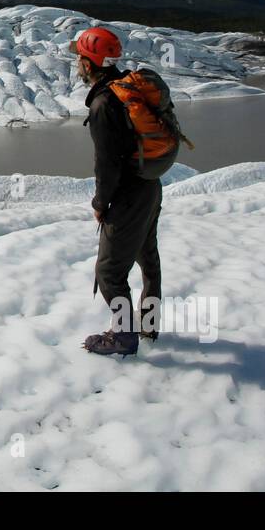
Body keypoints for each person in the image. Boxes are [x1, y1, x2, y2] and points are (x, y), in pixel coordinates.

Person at [72, 27, 184, 357]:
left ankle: (123, 337)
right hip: (150, 186)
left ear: (89, 63)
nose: (77, 64)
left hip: (128, 195)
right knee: (148, 259)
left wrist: (100, 202)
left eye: (79, 58)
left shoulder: (104, 104)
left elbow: (106, 164)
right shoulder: (126, 88)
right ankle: (149, 325)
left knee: (108, 273)